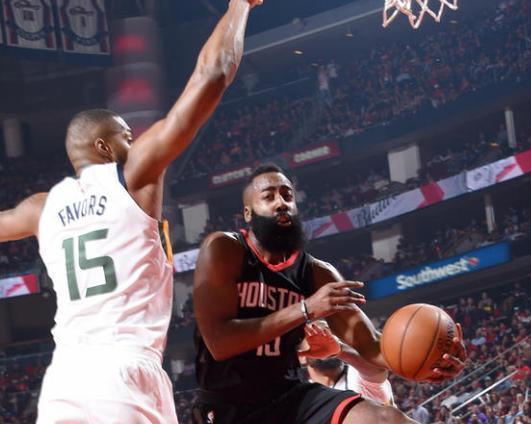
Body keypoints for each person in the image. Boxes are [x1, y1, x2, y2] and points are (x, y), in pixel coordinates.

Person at [0, 0, 262, 422]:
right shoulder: (133, 176)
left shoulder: (40, 208)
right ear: (104, 146)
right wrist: (239, 7)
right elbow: (212, 74)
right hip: (124, 370)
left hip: (63, 381)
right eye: (127, 135)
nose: (134, 141)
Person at [193, 163, 467, 423]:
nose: (281, 203)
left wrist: (432, 359)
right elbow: (219, 342)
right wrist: (305, 309)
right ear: (248, 213)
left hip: (289, 397)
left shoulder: (317, 273)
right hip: (227, 404)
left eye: (287, 195)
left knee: (387, 419)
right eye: (268, 197)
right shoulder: (224, 249)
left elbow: (372, 345)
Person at [298, 320, 395, 406]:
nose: (324, 340)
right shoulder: (302, 397)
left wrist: (339, 350)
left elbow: (376, 369)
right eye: (314, 338)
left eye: (330, 334)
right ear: (302, 357)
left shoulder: (355, 374)